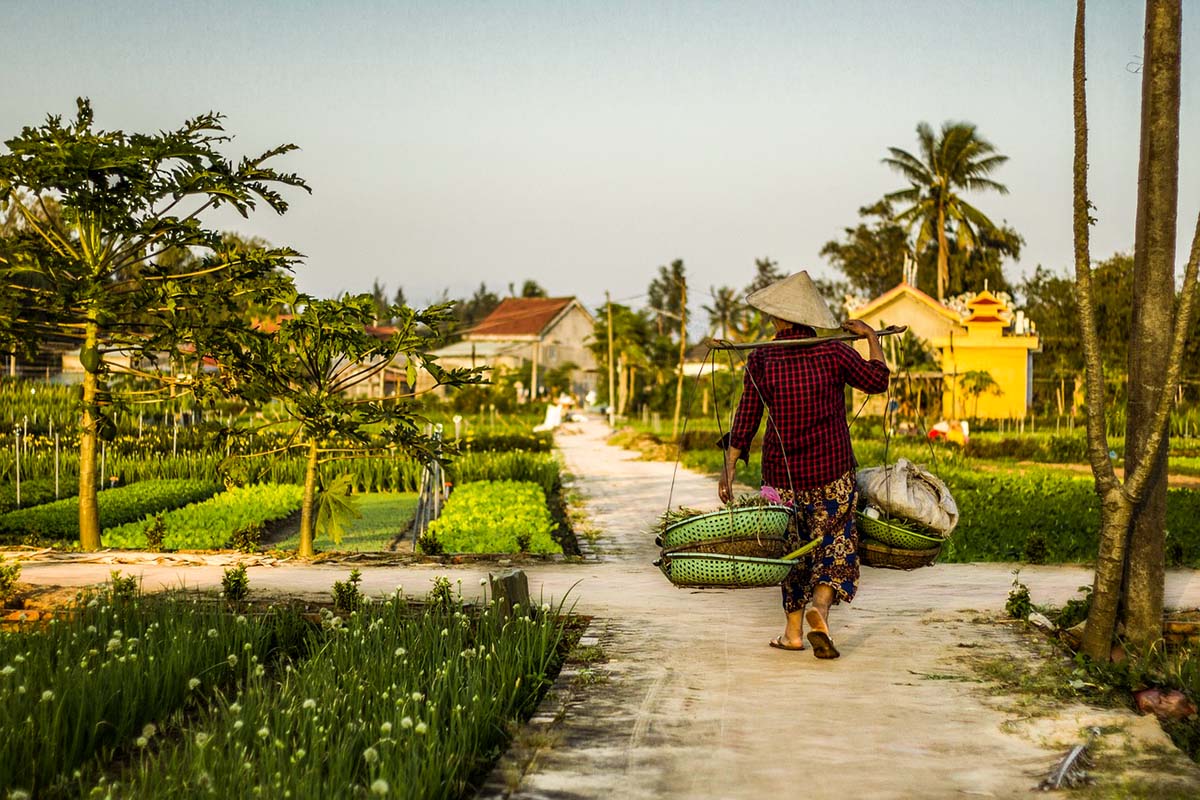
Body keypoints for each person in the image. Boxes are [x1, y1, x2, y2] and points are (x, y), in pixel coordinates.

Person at [718, 271, 890, 659]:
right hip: (832, 473)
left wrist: (728, 468)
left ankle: (793, 633)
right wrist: (871, 337)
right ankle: (821, 612)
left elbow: (746, 419)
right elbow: (877, 380)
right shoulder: (833, 352)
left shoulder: (762, 359)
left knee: (792, 551)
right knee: (836, 542)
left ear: (780, 319)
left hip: (781, 480)